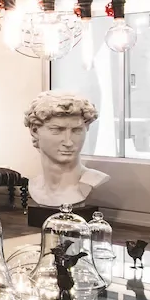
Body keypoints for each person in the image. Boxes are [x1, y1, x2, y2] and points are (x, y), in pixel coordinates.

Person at [22, 89, 110, 225]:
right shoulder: (34, 186)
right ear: (34, 131)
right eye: (57, 130)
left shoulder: (92, 181)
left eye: (77, 130)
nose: (69, 142)